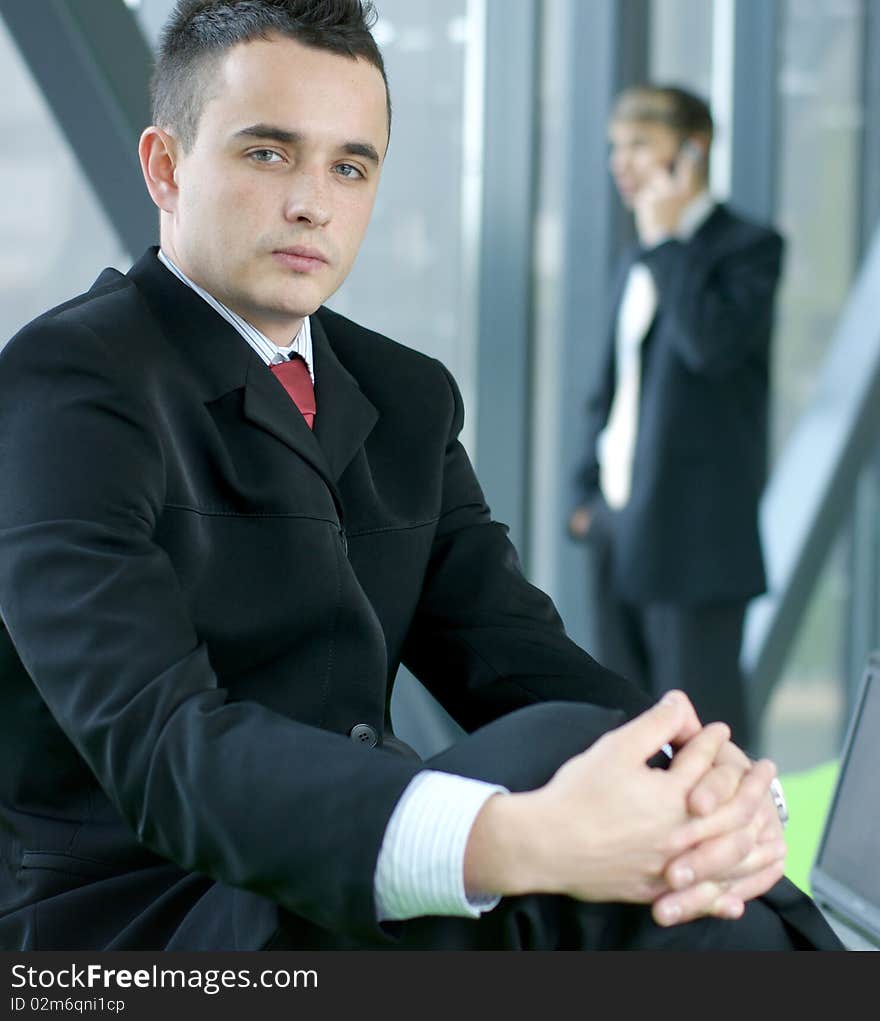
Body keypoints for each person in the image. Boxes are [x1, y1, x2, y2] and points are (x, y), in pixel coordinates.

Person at [0, 1, 837, 952]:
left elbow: (522, 659)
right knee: (551, 772)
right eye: (268, 154)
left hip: (343, 890)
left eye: (349, 166)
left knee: (608, 768)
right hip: (141, 927)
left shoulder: (404, 395)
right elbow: (164, 751)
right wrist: (511, 837)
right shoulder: (65, 386)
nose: (313, 201)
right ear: (166, 165)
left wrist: (710, 782)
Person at [570, 85, 782, 752]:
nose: (619, 162)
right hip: (618, 529)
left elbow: (709, 346)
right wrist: (585, 494)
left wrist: (667, 243)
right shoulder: (637, 256)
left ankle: (734, 862)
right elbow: (613, 389)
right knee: (628, 732)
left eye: (637, 144)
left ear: (692, 150)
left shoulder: (747, 247)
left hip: (696, 542)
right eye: (614, 147)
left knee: (706, 740)